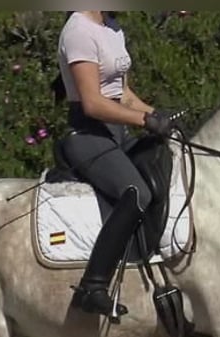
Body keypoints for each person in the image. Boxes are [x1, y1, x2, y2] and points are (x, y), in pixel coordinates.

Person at [54, 10, 175, 318]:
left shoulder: (111, 27)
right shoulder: (78, 30)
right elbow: (93, 103)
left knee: (166, 168)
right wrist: (144, 121)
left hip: (117, 134)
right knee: (135, 192)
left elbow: (121, 92)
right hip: (86, 135)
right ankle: (92, 286)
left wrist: (160, 116)